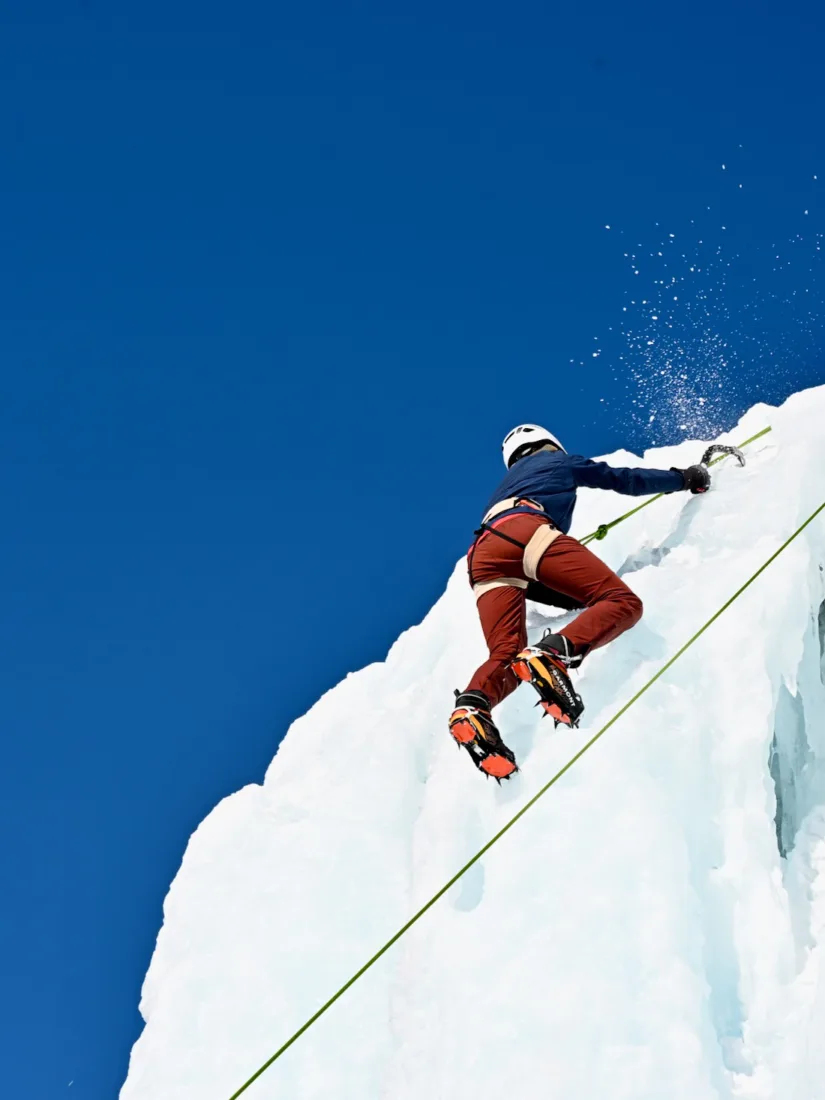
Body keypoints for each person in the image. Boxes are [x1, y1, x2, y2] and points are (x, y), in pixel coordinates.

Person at [449, 423, 710, 780]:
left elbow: (532, 579)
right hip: (525, 531)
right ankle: (552, 655)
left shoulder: (504, 488)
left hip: (482, 557)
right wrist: (686, 478)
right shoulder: (558, 462)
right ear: (550, 445)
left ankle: (473, 707)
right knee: (622, 602)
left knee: (505, 653)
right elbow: (626, 480)